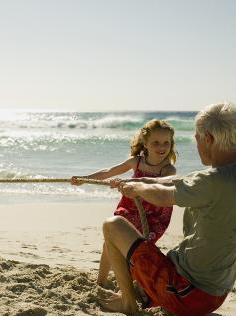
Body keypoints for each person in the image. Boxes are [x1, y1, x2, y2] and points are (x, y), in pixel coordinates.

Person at [98, 102, 236, 316]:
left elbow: (162, 196)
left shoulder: (212, 182)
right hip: (216, 293)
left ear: (208, 139)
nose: (195, 143)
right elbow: (186, 181)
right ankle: (146, 294)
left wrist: (137, 187)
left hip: (187, 295)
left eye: (197, 137)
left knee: (113, 225)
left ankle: (128, 303)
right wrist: (146, 179)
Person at [71, 119, 177, 286]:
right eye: (156, 143)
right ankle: (101, 282)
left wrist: (129, 183)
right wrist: (85, 179)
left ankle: (131, 283)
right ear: (145, 143)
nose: (161, 147)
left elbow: (161, 184)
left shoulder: (168, 169)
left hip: (153, 216)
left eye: (166, 143)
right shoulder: (136, 161)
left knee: (135, 249)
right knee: (109, 243)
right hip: (129, 209)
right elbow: (109, 171)